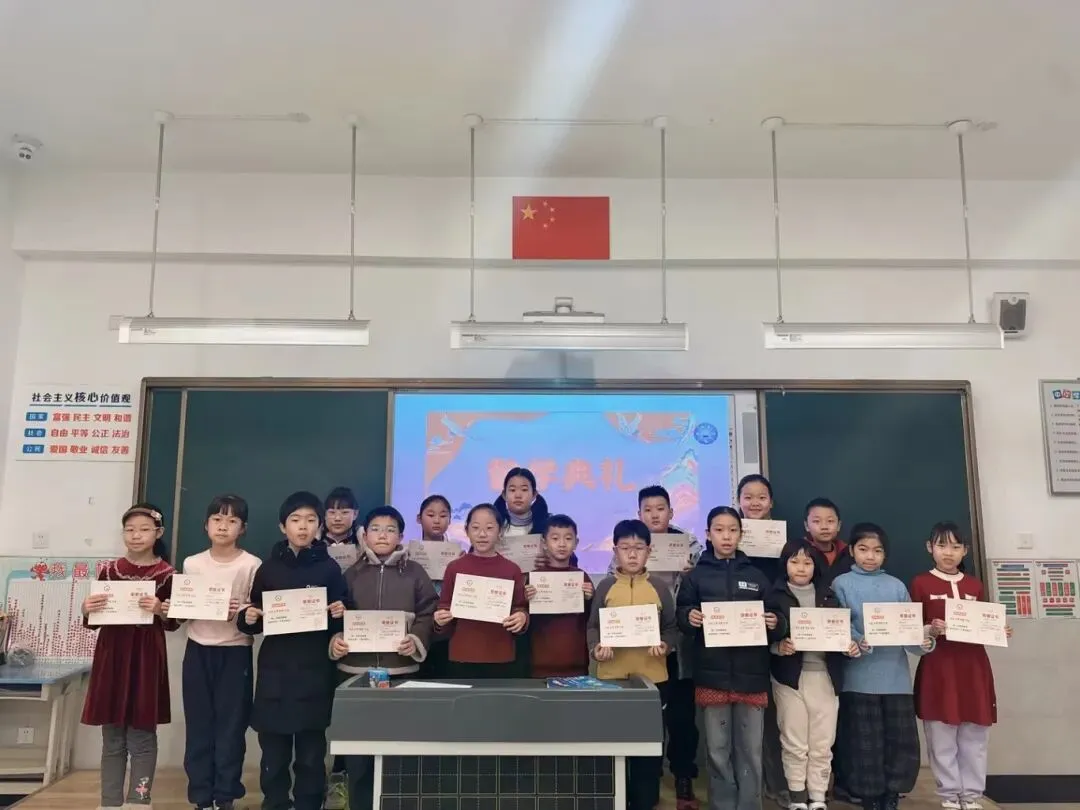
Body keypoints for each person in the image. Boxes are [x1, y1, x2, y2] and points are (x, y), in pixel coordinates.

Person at [237, 491, 349, 810]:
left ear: (319, 526)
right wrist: (248, 617)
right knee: (273, 751)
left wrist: (342, 611)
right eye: (295, 520)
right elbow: (254, 616)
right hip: (275, 670)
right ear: (282, 526)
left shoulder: (329, 569)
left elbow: (343, 614)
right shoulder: (268, 569)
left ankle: (309, 803)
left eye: (311, 520)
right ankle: (275, 802)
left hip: (315, 670)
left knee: (312, 752)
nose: (303, 526)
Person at [330, 505, 439, 810]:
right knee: (358, 751)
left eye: (390, 530)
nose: (382, 535)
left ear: (401, 536)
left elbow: (428, 612)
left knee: (398, 746)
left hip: (401, 674)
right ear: (364, 535)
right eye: (376, 529)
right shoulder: (351, 573)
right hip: (355, 674)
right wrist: (336, 641)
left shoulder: (415, 572)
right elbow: (336, 615)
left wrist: (415, 640)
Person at [677, 506, 785, 810]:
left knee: (750, 750)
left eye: (733, 530)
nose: (726, 536)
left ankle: (749, 805)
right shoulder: (696, 576)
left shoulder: (757, 576)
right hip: (712, 675)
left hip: (752, 675)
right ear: (708, 534)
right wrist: (689, 616)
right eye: (719, 530)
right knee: (717, 749)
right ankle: (723, 804)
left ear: (741, 534)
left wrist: (776, 622)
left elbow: (778, 615)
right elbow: (682, 613)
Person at [608, 485, 702, 809]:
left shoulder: (689, 544)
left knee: (681, 716)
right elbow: (613, 583)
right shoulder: (629, 545)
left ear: (671, 512)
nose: (654, 515)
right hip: (638, 647)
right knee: (647, 715)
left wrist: (693, 573)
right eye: (647, 510)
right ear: (639, 514)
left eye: (660, 509)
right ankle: (648, 778)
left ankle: (683, 776)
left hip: (678, 645)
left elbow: (702, 587)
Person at [81, 502, 179, 809]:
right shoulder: (110, 571)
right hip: (112, 657)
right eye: (130, 529)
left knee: (142, 737)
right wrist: (87, 609)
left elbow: (174, 622)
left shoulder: (168, 574)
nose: (136, 535)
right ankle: (109, 802)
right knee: (112, 737)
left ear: (158, 533)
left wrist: (161, 610)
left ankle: (139, 800)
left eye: (144, 529)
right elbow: (93, 620)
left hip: (146, 659)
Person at [832, 523, 935, 810]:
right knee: (864, 742)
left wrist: (925, 641)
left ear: (885, 554)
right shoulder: (841, 584)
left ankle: (892, 794)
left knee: (899, 742)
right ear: (851, 551)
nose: (870, 556)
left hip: (896, 680)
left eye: (877, 551)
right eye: (863, 549)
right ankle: (869, 797)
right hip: (858, 679)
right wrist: (856, 640)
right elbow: (838, 623)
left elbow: (910, 635)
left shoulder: (897, 586)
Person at [911, 522, 1011, 810]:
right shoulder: (920, 583)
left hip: (973, 668)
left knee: (975, 733)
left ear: (965, 550)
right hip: (939, 668)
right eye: (942, 545)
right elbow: (911, 628)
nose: (949, 553)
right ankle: (949, 795)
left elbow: (984, 624)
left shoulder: (974, 585)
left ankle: (972, 795)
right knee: (941, 734)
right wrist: (929, 629)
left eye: (956, 547)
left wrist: (999, 631)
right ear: (930, 548)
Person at [177, 494, 262, 810]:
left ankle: (225, 795)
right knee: (199, 725)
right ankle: (201, 796)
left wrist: (240, 612)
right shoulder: (192, 563)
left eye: (232, 520)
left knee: (231, 728)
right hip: (197, 650)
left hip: (235, 652)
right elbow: (185, 606)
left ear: (243, 528)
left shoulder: (251, 564)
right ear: (206, 525)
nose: (223, 526)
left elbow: (254, 613)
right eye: (217, 519)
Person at [588, 519, 679, 810]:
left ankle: (645, 799)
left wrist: (665, 645)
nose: (631, 554)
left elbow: (672, 628)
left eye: (638, 548)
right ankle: (615, 798)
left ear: (649, 552)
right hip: (612, 677)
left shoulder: (659, 587)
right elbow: (593, 626)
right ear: (615, 551)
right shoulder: (605, 586)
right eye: (625, 547)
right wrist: (596, 648)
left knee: (648, 743)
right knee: (612, 740)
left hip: (652, 678)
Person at [770, 544, 861, 810]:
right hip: (789, 678)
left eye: (807, 563)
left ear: (816, 567)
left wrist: (849, 647)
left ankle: (818, 797)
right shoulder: (773, 596)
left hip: (825, 677)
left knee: (822, 743)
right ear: (785, 564)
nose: (801, 568)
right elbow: (760, 638)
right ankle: (797, 797)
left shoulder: (829, 596)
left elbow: (841, 635)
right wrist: (778, 647)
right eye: (794, 561)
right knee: (794, 742)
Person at [735, 473, 787, 807]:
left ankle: (778, 782)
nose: (755, 503)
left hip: (775, 631)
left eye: (761, 497)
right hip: (738, 635)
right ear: (738, 501)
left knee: (777, 714)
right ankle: (747, 783)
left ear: (771, 503)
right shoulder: (728, 536)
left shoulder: (783, 542)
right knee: (744, 715)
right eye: (748, 497)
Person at [433, 503, 529, 677]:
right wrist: (440, 620)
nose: (482, 534)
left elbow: (520, 608)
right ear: (467, 530)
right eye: (476, 528)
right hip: (462, 655)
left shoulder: (512, 569)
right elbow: (444, 608)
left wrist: (522, 617)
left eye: (489, 528)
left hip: (501, 655)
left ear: (500, 531)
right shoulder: (455, 568)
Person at [524, 513, 594, 678]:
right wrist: (525, 600)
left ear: (576, 543)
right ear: (544, 543)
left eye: (568, 538)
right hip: (540, 663)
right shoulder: (533, 578)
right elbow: (523, 619)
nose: (562, 544)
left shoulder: (582, 577)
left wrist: (589, 599)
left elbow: (593, 620)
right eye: (555, 538)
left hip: (576, 663)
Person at [414, 494, 456, 680]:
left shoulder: (460, 553)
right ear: (419, 518)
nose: (437, 520)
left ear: (450, 519)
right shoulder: (406, 552)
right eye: (431, 515)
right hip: (417, 623)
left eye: (443, 515)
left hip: (447, 625)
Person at [782, 498, 852, 587]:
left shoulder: (848, 553)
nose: (824, 527)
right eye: (816, 521)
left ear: (838, 525)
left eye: (830, 521)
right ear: (806, 526)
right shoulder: (795, 552)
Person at [494, 466, 551, 538]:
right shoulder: (494, 527)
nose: (518, 495)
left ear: (534, 494)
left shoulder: (548, 526)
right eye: (512, 490)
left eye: (524, 490)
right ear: (504, 495)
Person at [324, 487, 362, 571]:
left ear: (355, 514)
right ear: (325, 515)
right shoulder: (315, 543)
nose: (337, 518)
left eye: (344, 512)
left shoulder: (363, 543)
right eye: (332, 512)